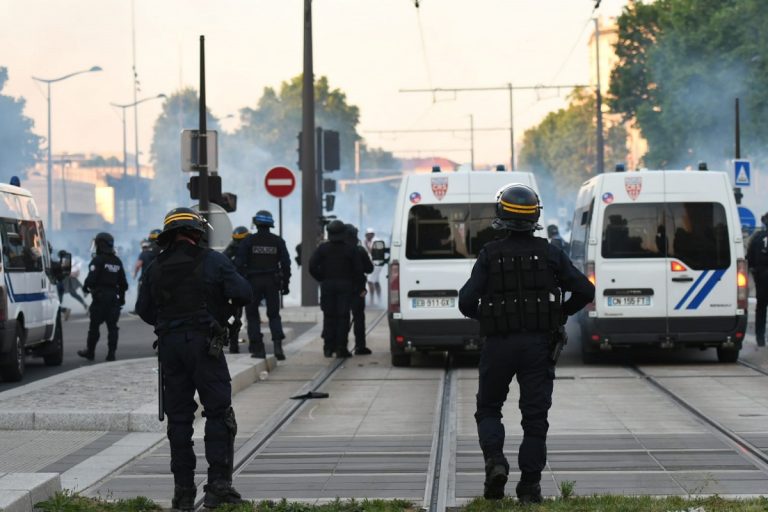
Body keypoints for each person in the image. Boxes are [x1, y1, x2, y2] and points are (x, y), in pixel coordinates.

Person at [458, 184, 594, 502]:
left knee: (489, 408)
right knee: (535, 419)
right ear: (535, 217)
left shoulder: (490, 254)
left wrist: (492, 317)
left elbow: (465, 302)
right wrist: (559, 313)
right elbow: (586, 291)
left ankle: (495, 463)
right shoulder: (550, 253)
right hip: (538, 346)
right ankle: (530, 487)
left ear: (501, 216)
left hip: (498, 345)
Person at [136, 207, 252, 510]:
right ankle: (218, 487)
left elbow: (145, 309)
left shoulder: (154, 267)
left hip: (170, 349)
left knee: (178, 419)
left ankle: (183, 493)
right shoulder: (213, 260)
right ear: (197, 233)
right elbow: (243, 292)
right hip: (204, 346)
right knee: (218, 413)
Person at [234, 211, 291, 361]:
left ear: (256, 223)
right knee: (273, 315)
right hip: (272, 281)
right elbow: (286, 264)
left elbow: (239, 264)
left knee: (252, 316)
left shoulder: (248, 241)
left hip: (252, 282)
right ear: (270, 224)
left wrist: (241, 284)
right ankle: (278, 347)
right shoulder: (277, 241)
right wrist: (286, 284)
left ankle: (258, 349)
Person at [309, 220, 364, 358]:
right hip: (345, 286)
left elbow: (311, 266)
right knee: (343, 317)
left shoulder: (323, 248)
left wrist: (322, 278)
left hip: (327, 286)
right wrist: (360, 287)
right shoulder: (350, 249)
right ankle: (341, 348)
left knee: (329, 317)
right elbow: (358, 271)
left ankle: (328, 347)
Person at [78, 232, 129, 362]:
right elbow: (123, 284)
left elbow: (91, 279)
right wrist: (121, 298)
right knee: (113, 328)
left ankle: (90, 352)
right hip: (113, 299)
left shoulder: (98, 260)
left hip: (100, 299)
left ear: (100, 244)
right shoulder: (117, 261)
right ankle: (111, 354)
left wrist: (85, 287)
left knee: (94, 327)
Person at [345, 224, 374, 354]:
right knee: (358, 318)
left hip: (341, 290)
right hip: (357, 290)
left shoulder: (336, 249)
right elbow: (369, 268)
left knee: (341, 317)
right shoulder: (360, 250)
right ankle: (360, 346)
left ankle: (340, 346)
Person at [224, 226, 249, 353]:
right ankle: (253, 346)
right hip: (244, 287)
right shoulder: (234, 248)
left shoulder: (232, 248)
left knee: (235, 316)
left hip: (238, 287)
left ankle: (234, 345)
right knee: (239, 316)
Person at [747, 212, 768, 347]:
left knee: (761, 308)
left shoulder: (757, 238)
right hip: (762, 275)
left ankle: (760, 338)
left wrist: (756, 272)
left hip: (762, 278)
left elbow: (750, 258)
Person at [363, 228, 383, 304]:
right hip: (375, 263)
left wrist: (366, 244)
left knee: (370, 281)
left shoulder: (375, 241)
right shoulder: (371, 241)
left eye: (367, 235)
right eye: (366, 235)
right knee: (376, 282)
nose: (366, 236)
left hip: (376, 264)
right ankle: (380, 299)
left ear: (372, 234)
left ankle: (372, 300)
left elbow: (372, 252)